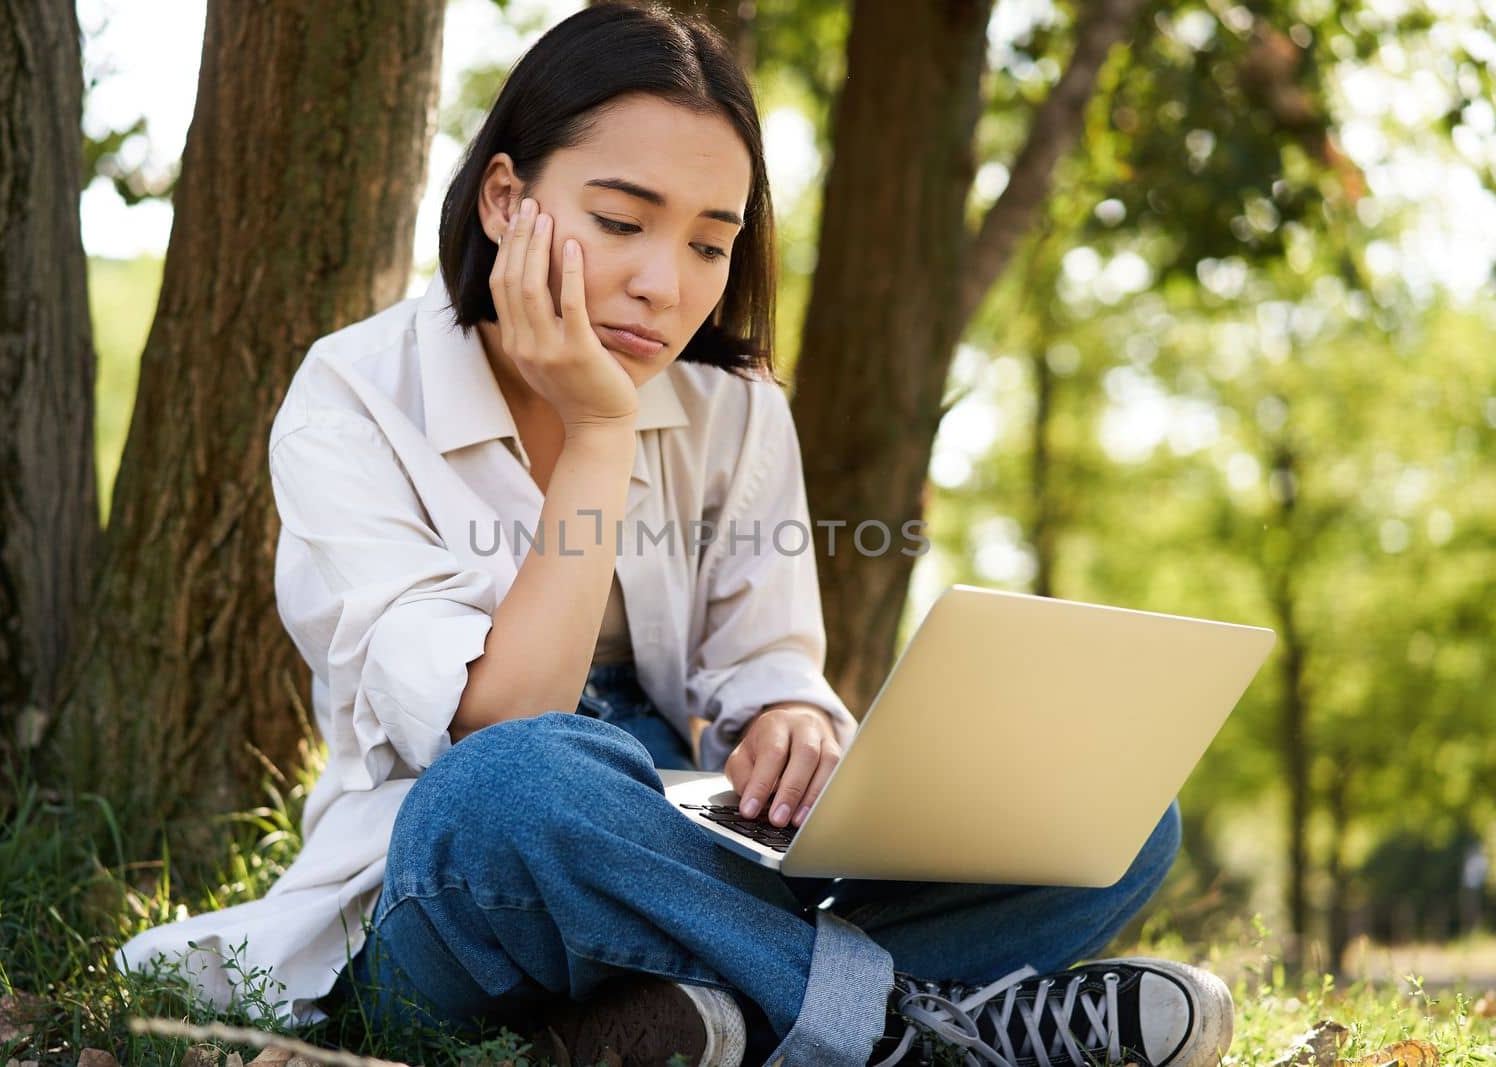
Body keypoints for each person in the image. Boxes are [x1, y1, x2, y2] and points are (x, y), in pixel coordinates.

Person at [113, 4, 1236, 1066]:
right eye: (619, 222)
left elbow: (763, 662)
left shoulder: (735, 411)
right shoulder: (353, 395)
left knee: (1107, 811)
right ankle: (908, 1026)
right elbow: (500, 721)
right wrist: (601, 425)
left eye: (710, 244)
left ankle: (689, 1021)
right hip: (463, 880)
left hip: (682, 846)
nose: (664, 284)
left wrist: (791, 715)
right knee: (521, 781)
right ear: (505, 198)